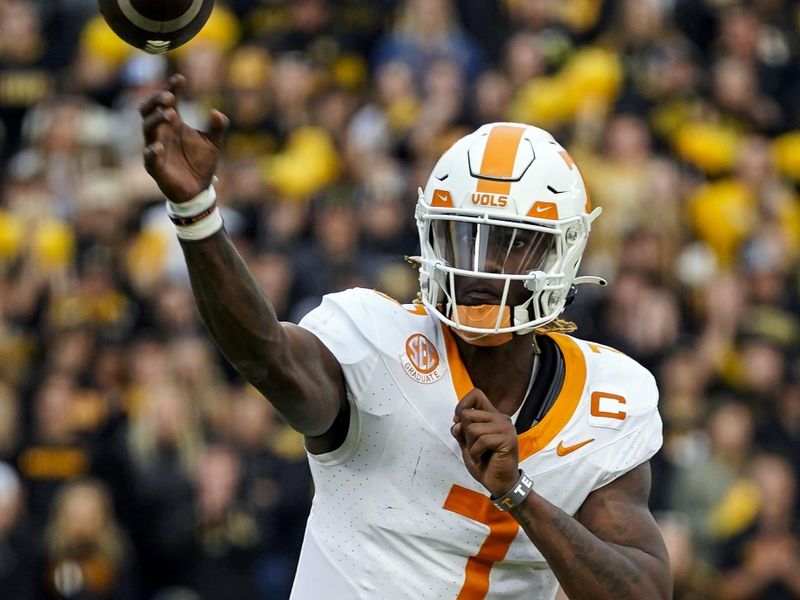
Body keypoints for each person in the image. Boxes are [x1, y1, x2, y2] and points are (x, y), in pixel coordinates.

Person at [139, 74, 671, 600]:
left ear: (563, 253)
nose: (482, 269)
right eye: (464, 237)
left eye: (509, 243)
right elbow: (266, 353)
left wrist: (518, 494)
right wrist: (197, 215)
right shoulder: (377, 344)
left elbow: (644, 592)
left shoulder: (609, 399)